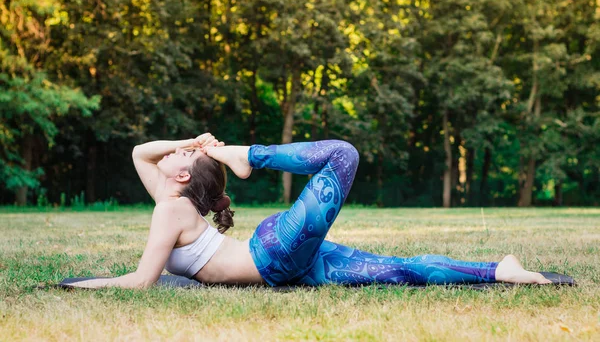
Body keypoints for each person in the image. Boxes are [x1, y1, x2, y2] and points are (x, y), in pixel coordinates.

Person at [70, 134, 551, 289]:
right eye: (181, 156)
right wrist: (192, 145)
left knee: (344, 155)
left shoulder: (170, 208)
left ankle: (249, 156)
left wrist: (76, 285)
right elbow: (141, 152)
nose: (170, 155)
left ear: (179, 178)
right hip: (283, 261)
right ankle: (499, 270)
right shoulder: (170, 205)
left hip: (277, 253)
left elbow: (139, 282)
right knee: (396, 270)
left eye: (179, 157)